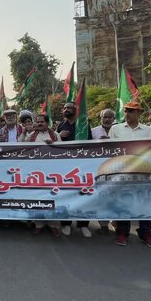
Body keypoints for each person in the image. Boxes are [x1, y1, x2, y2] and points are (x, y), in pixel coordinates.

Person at [108, 101, 151, 249]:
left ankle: (145, 233)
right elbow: (110, 150)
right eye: (126, 111)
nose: (127, 114)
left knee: (143, 202)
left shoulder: (148, 131)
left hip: (142, 171)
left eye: (131, 111)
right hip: (121, 171)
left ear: (139, 113)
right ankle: (122, 232)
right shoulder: (115, 129)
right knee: (124, 201)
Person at [57, 101, 93, 237]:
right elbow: (53, 144)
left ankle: (83, 224)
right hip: (65, 168)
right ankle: (65, 224)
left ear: (75, 110)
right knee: (65, 195)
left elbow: (90, 143)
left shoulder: (83, 124)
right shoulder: (60, 126)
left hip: (82, 166)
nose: (66, 109)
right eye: (64, 107)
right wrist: (60, 136)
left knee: (83, 194)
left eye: (69, 108)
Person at [23, 115, 62, 236]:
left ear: (47, 122)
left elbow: (62, 151)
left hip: (51, 172)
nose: (40, 124)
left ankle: (53, 226)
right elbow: (24, 148)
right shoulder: (32, 136)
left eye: (42, 122)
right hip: (35, 172)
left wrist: (53, 144)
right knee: (37, 198)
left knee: (52, 199)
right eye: (38, 122)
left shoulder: (55, 135)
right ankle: (38, 224)